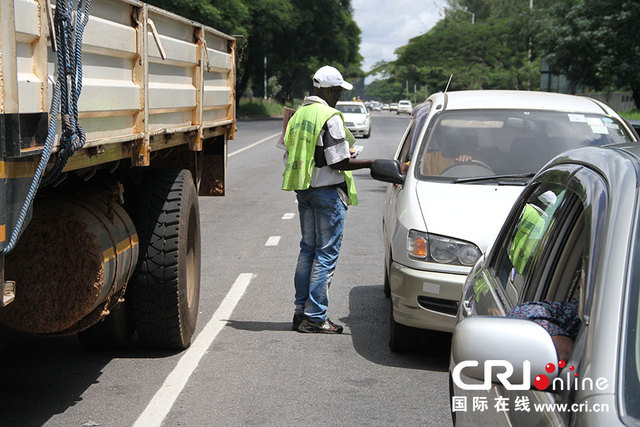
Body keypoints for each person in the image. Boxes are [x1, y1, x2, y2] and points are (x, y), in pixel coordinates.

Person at [282, 65, 375, 334]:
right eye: (337, 90)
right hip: (327, 192)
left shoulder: (298, 115)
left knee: (307, 251)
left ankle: (301, 312)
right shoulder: (329, 115)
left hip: (305, 190)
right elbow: (339, 161)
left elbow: (290, 149)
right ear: (329, 90)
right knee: (325, 255)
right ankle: (315, 317)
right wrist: (369, 163)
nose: (338, 96)